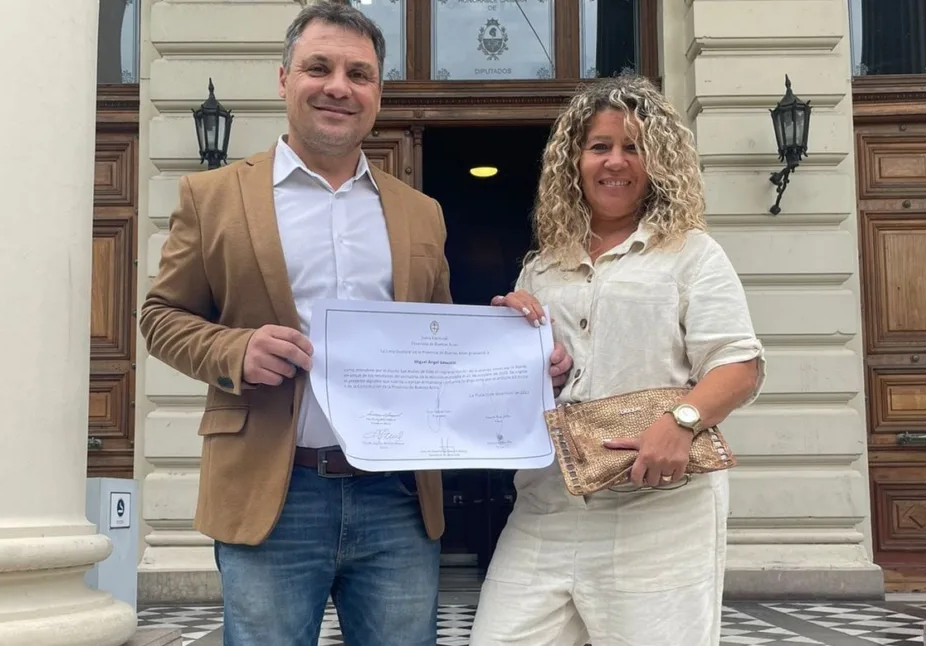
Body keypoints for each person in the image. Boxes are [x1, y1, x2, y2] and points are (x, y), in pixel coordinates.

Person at [139, 3, 572, 645]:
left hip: (396, 497)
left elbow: (437, 341)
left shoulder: (420, 212)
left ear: (377, 92)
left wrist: (513, 355)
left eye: (359, 73)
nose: (338, 87)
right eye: (319, 68)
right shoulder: (214, 197)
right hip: (272, 489)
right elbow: (160, 316)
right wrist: (234, 349)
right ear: (283, 79)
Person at [472, 74, 767, 646]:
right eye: (599, 146)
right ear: (574, 161)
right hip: (548, 503)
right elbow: (533, 383)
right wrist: (515, 343)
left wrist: (681, 422)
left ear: (657, 162)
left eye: (634, 147)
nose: (615, 161)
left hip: (659, 509)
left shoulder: (692, 254)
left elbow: (739, 364)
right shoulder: (543, 265)